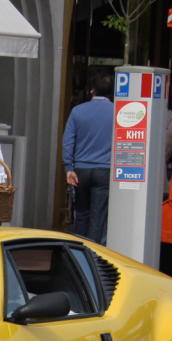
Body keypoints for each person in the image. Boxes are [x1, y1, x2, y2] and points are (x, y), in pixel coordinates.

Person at [62, 71, 114, 244]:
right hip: (105, 169)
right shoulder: (117, 113)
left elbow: (68, 141)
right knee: (98, 217)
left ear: (93, 91)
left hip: (81, 169)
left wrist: (68, 167)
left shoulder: (77, 111)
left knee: (81, 214)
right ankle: (94, 255)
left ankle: (79, 252)